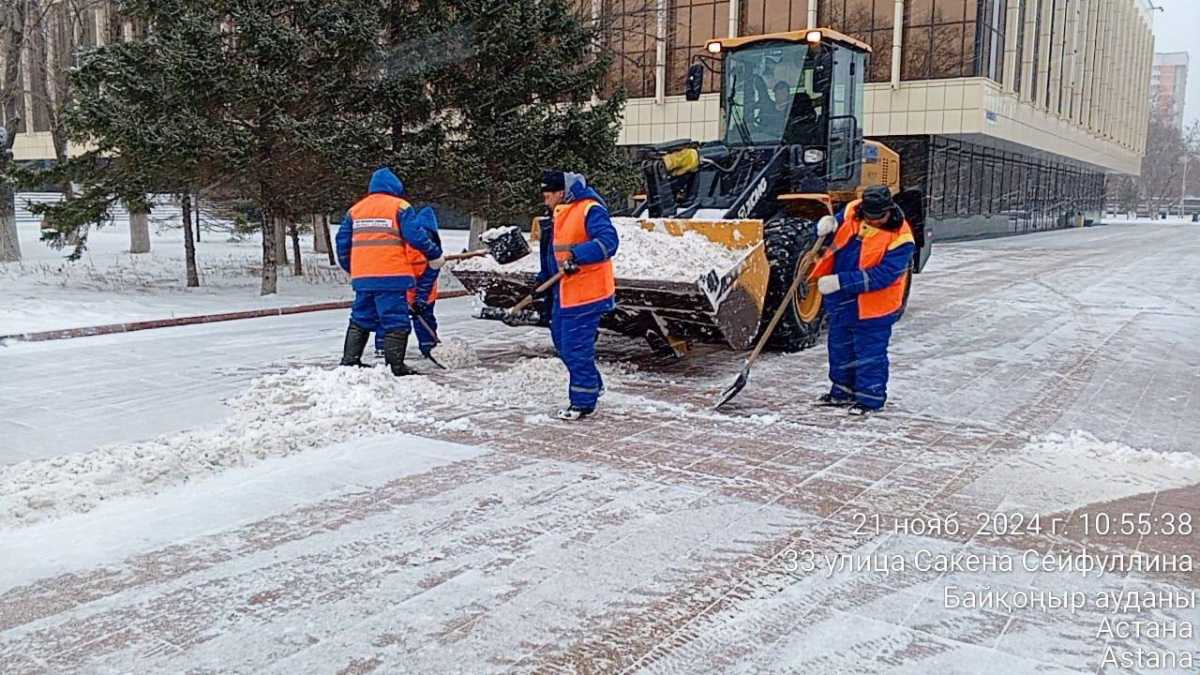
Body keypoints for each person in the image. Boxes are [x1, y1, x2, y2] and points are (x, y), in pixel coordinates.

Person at [810, 185, 915, 415]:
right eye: (870, 216)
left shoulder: (902, 238)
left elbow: (884, 275)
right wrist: (826, 225)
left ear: (889, 210)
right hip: (842, 302)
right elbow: (835, 230)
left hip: (874, 307)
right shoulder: (852, 211)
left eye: (879, 216)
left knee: (870, 354)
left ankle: (870, 399)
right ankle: (841, 391)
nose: (874, 221)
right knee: (839, 349)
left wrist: (841, 281)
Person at [335, 167, 444, 376]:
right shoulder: (400, 207)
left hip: (364, 277)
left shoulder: (355, 210)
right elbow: (416, 236)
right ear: (395, 187)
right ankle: (395, 366)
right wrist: (434, 254)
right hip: (392, 276)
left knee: (360, 317)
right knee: (396, 319)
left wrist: (351, 268)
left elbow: (342, 242)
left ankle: (350, 361)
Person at [537, 170, 619, 421]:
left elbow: (609, 242)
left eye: (548, 194)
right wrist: (542, 279)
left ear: (562, 192)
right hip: (564, 292)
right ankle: (593, 384)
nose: (545, 200)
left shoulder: (589, 209)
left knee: (575, 348)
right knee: (562, 344)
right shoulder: (561, 213)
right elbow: (556, 254)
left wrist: (579, 256)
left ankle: (583, 402)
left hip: (587, 293)